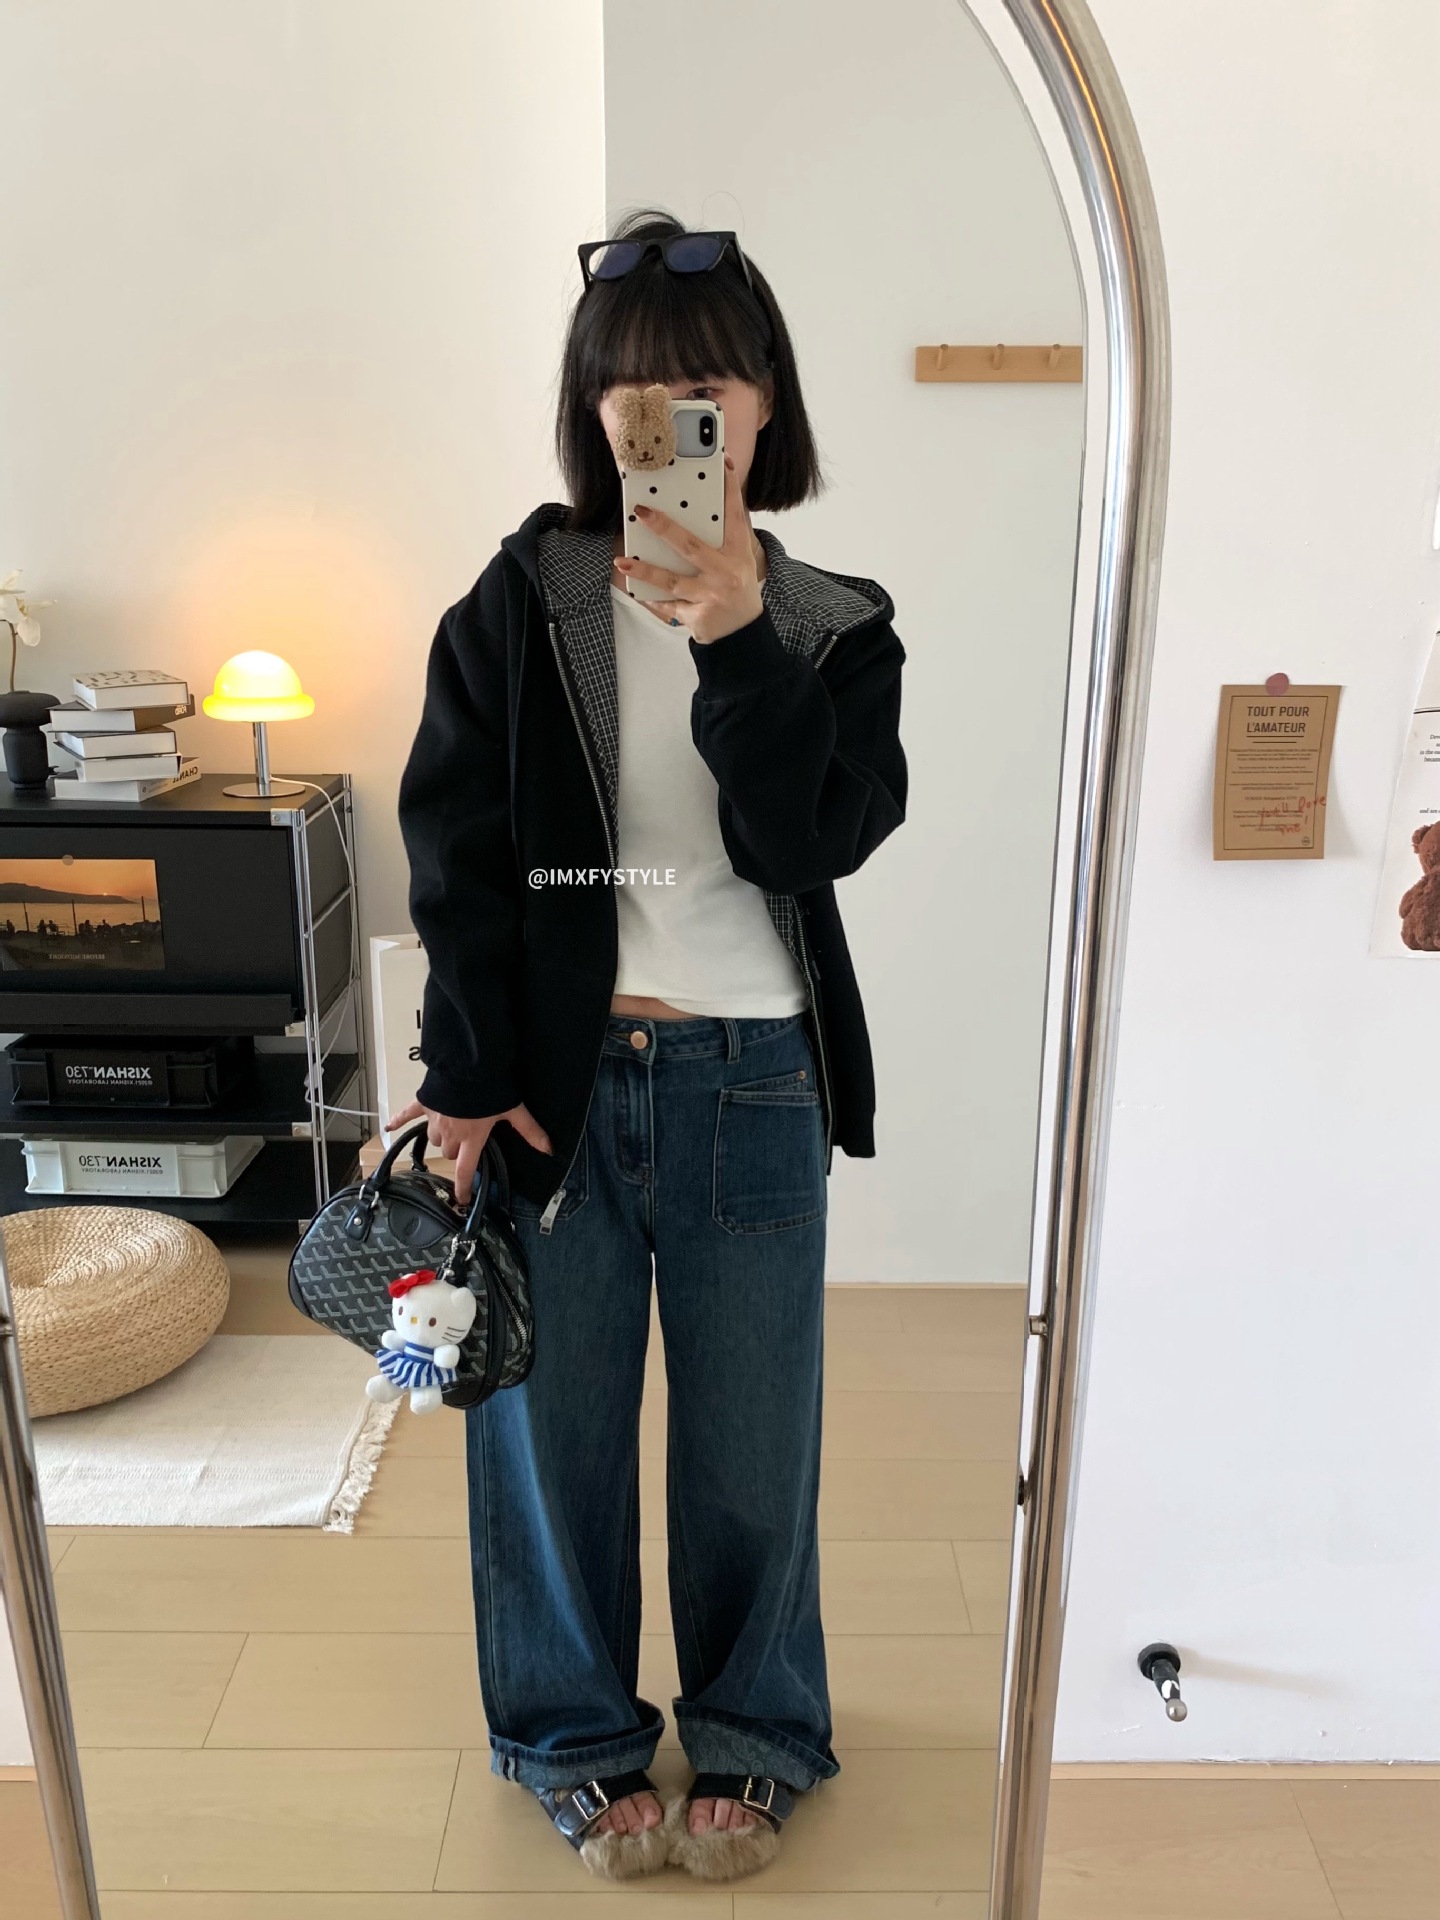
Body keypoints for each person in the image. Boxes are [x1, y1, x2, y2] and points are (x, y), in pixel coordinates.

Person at [391, 210, 907, 1882]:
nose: (666, 419)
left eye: (702, 387)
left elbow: (808, 840)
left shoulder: (834, 622)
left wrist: (737, 636)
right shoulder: (523, 599)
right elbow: (459, 853)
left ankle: (758, 1730)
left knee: (754, 1445)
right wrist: (468, 1077)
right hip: (555, 1086)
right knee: (549, 1439)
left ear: (763, 406)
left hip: (754, 1079)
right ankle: (572, 1736)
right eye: (629, 392)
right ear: (590, 414)